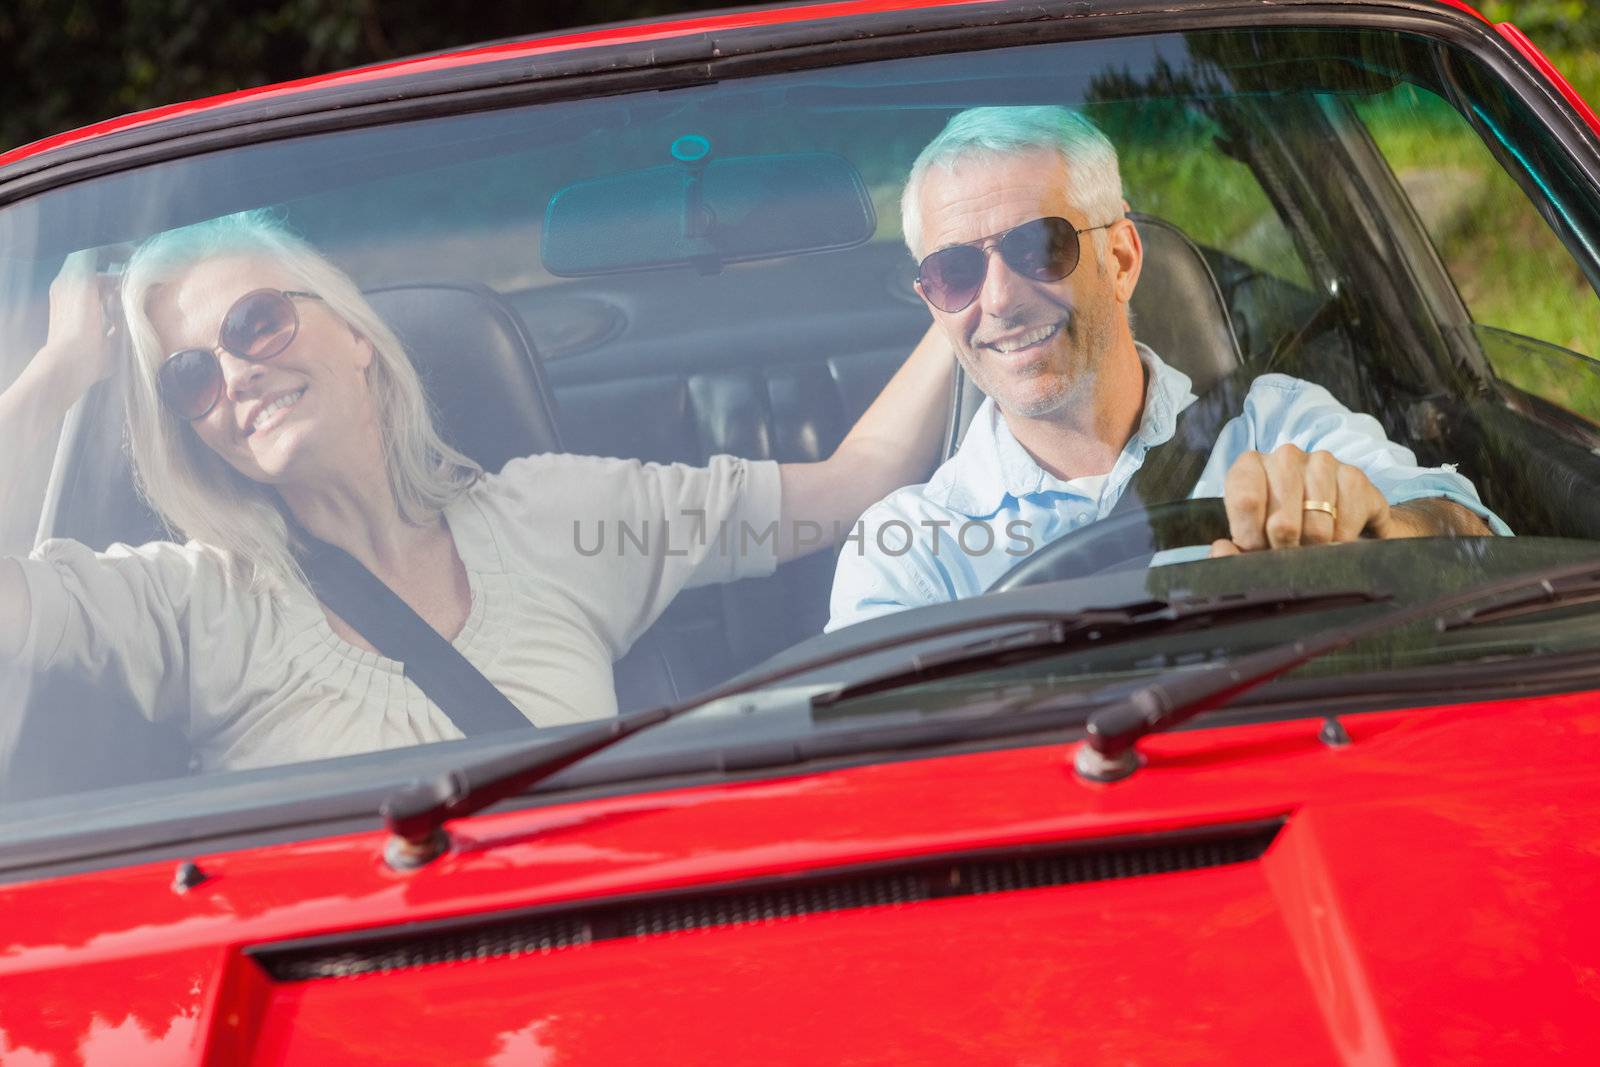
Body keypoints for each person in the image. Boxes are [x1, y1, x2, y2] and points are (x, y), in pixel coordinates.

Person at [0, 210, 953, 771]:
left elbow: (852, 484)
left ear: (358, 336)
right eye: (190, 377)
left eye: (257, 324)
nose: (236, 373)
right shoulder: (192, 598)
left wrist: (971, 297)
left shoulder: (557, 518)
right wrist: (56, 374)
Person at [828, 106, 1506, 632]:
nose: (999, 298)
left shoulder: (1276, 422)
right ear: (934, 303)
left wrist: (1385, 527)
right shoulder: (909, 550)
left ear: (1121, 259)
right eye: (956, 271)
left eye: (1039, 246)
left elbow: (1474, 537)